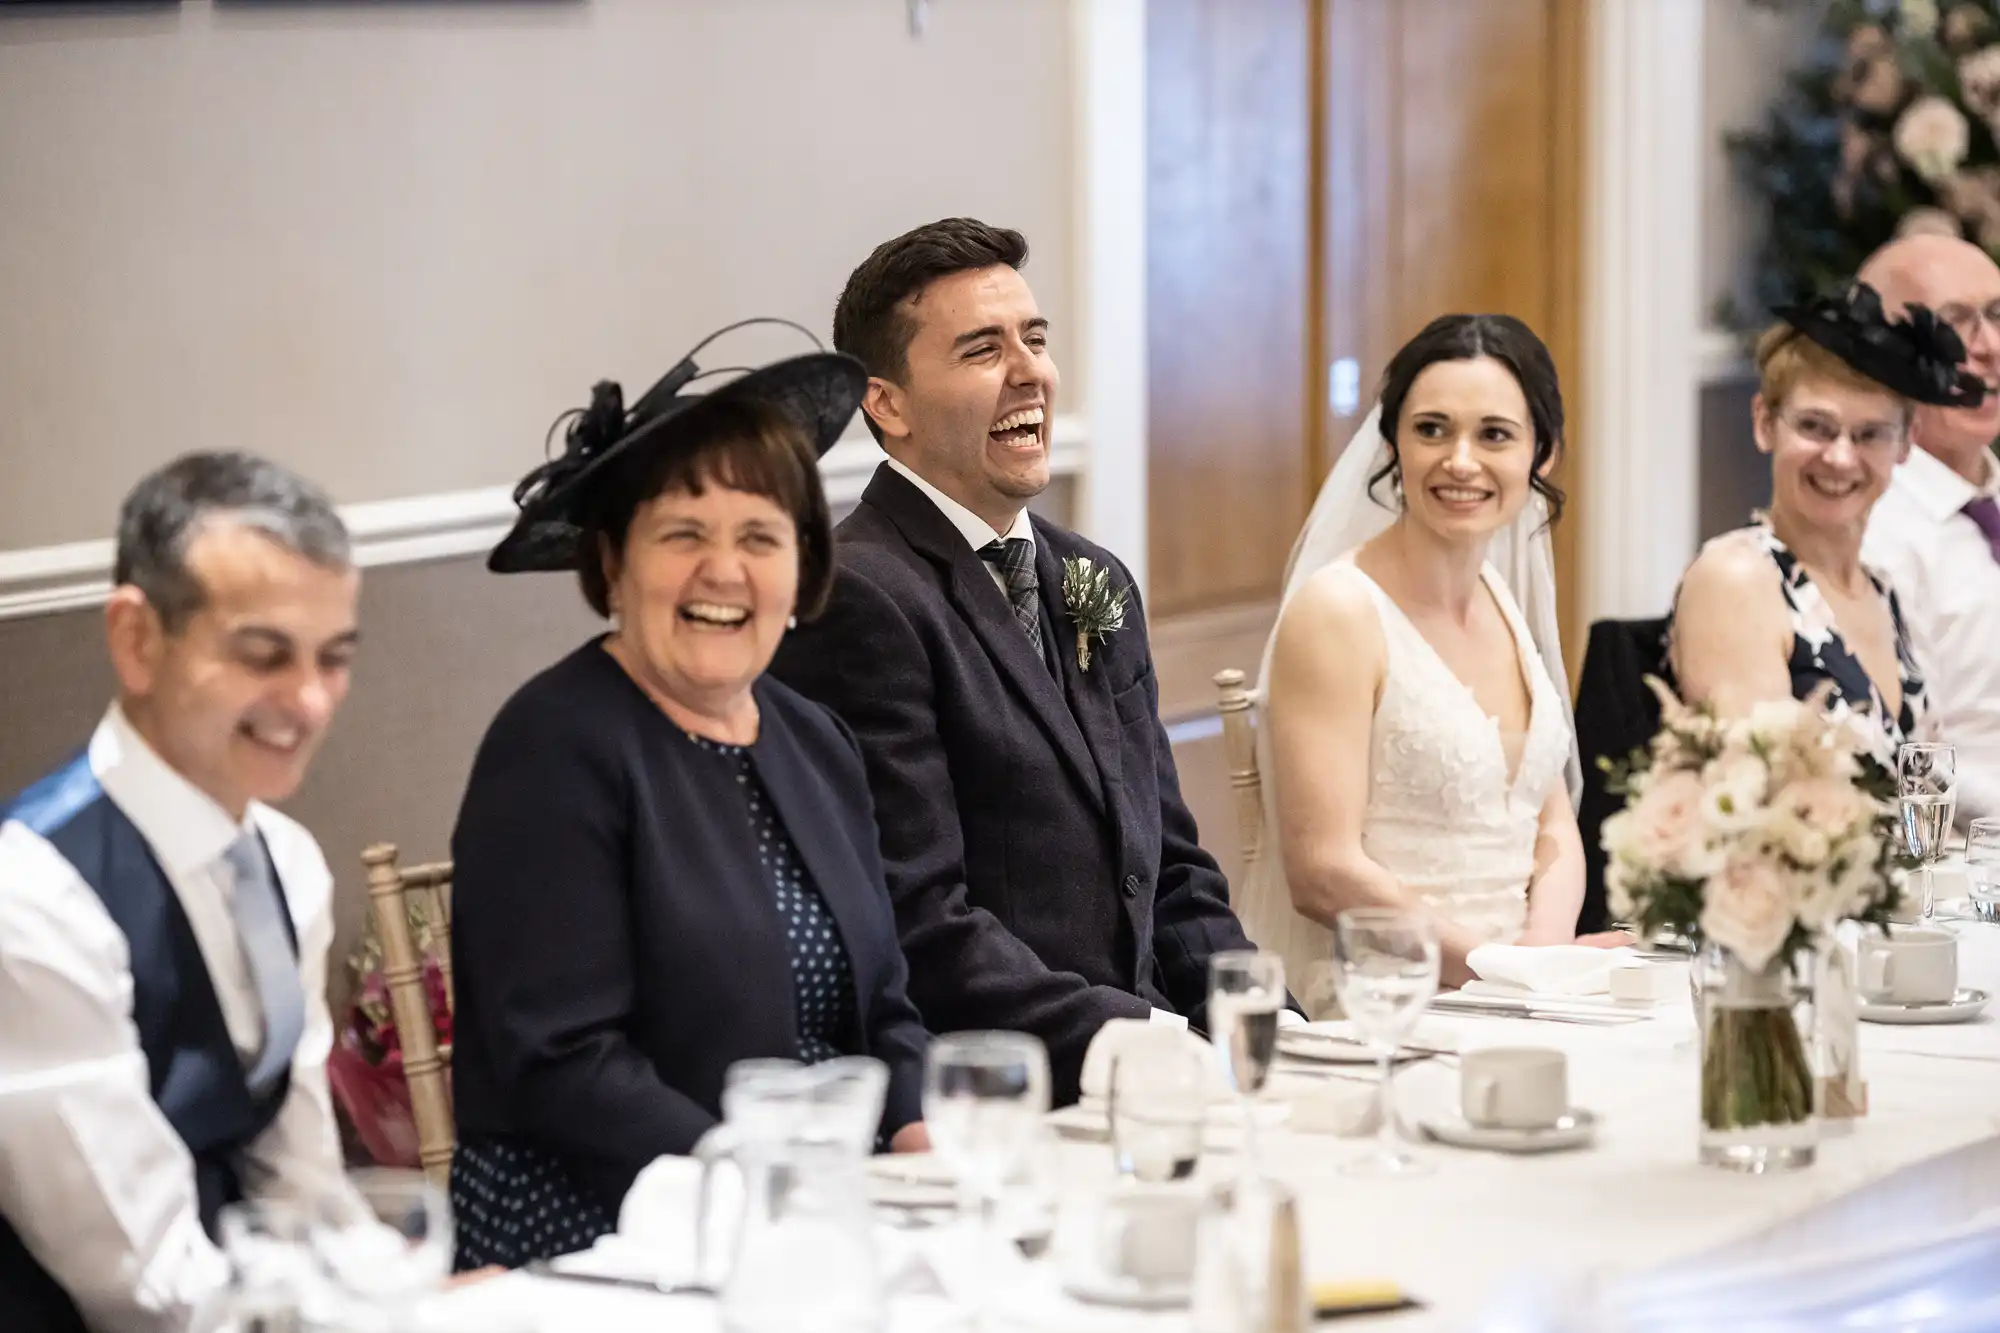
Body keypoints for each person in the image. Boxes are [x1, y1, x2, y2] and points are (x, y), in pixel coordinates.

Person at [450, 323, 932, 1272]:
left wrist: (921, 1136)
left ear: (801, 568)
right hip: (612, 1220)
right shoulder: (551, 745)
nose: (725, 569)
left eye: (760, 536)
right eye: (683, 534)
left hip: (817, 1205)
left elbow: (885, 1007)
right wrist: (764, 1179)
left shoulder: (817, 740)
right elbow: (563, 1061)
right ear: (614, 564)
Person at [768, 218, 1273, 1105]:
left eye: (1035, 339)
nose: (1029, 370)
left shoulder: (1092, 575)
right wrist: (1145, 1043)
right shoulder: (858, 596)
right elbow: (920, 921)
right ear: (887, 404)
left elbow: (1173, 866)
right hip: (1001, 1092)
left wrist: (1262, 1023)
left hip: (1158, 1070)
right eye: (981, 349)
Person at [0, 453, 369, 1333]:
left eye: (333, 658)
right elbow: (143, 1284)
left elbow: (303, 1178)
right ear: (137, 639)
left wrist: (385, 1291)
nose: (310, 701)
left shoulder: (288, 862)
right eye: (263, 655)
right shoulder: (31, 898)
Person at [1236, 315, 1614, 998]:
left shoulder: (1501, 594)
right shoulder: (1338, 612)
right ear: (1393, 444)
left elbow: (1553, 819)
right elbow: (1322, 871)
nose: (1460, 461)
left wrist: (1543, 958)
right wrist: (1501, 970)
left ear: (1543, 454)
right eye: (1432, 429)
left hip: (1520, 987)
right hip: (1387, 1004)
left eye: (1494, 434)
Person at [1670, 282, 1981, 761]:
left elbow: (1926, 787)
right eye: (1815, 427)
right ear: (1765, 423)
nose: (1840, 457)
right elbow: (1756, 793)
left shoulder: (1884, 591)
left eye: (1870, 434)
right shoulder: (1736, 578)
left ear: (1906, 444)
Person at [1858, 234, 2000, 824]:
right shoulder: (1872, 531)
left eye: (1997, 315)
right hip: (1958, 854)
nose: (1989, 346)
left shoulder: (1988, 502)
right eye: (1954, 322)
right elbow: (1903, 758)